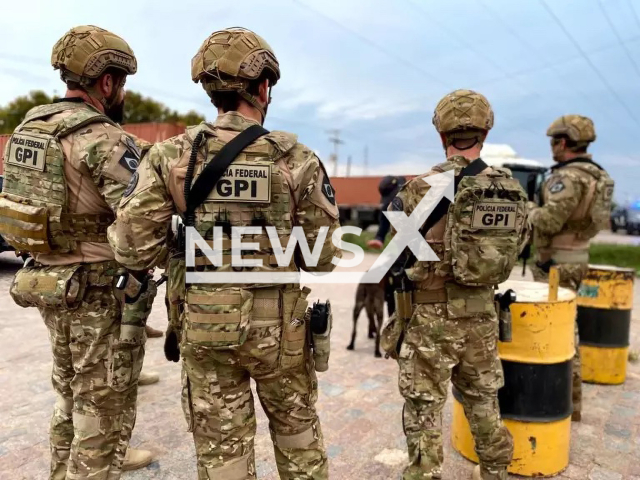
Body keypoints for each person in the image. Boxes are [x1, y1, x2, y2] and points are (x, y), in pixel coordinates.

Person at [108, 27, 341, 479]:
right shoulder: (297, 160)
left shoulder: (171, 156)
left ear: (211, 90)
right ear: (263, 87)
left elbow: (132, 245)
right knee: (299, 443)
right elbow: (323, 256)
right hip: (282, 335)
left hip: (205, 327)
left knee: (223, 458)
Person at [0, 25, 155, 478]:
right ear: (107, 83)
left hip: (47, 283)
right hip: (95, 291)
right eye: (121, 83)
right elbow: (139, 223)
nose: (121, 93)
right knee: (101, 404)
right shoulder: (102, 137)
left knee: (69, 392)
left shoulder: (30, 127)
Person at [381, 89, 527, 480]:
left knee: (424, 409)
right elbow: (519, 245)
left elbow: (396, 253)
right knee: (483, 403)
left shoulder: (417, 189)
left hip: (429, 317)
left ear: (442, 135)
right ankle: (495, 472)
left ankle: (426, 474)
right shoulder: (510, 192)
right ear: (486, 131)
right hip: (481, 315)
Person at [529, 114, 614, 422]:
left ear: (562, 142)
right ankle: (571, 402)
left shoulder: (567, 178)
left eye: (554, 142)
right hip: (577, 258)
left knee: (558, 333)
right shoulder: (598, 175)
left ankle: (559, 402)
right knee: (568, 327)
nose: (553, 148)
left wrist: (528, 208)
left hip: (556, 264)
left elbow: (549, 221)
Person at [367, 175, 406, 317]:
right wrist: (379, 238)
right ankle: (394, 321)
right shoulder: (391, 204)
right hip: (402, 251)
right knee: (394, 287)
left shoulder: (416, 193)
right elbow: (384, 216)